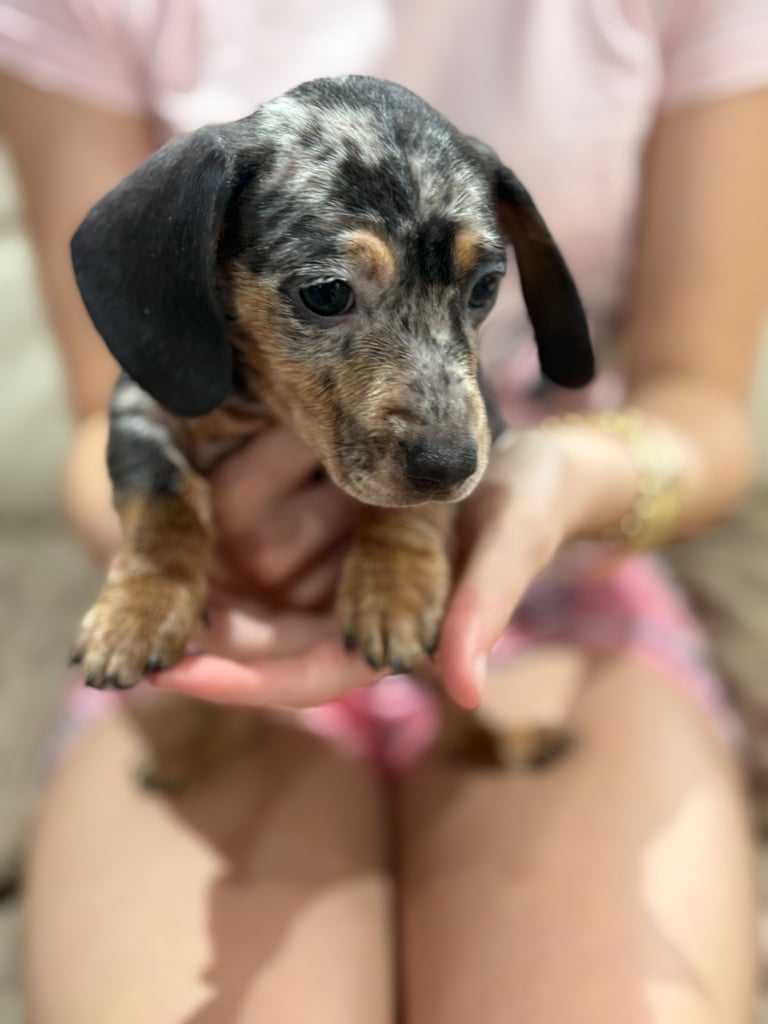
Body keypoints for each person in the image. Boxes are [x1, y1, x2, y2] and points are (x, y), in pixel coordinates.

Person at [1, 1, 767, 1020]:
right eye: (326, 294)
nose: (445, 427)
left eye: (477, 285)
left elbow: (702, 405)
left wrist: (558, 485)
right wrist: (188, 561)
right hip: (221, 632)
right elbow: (119, 410)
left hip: (539, 602)